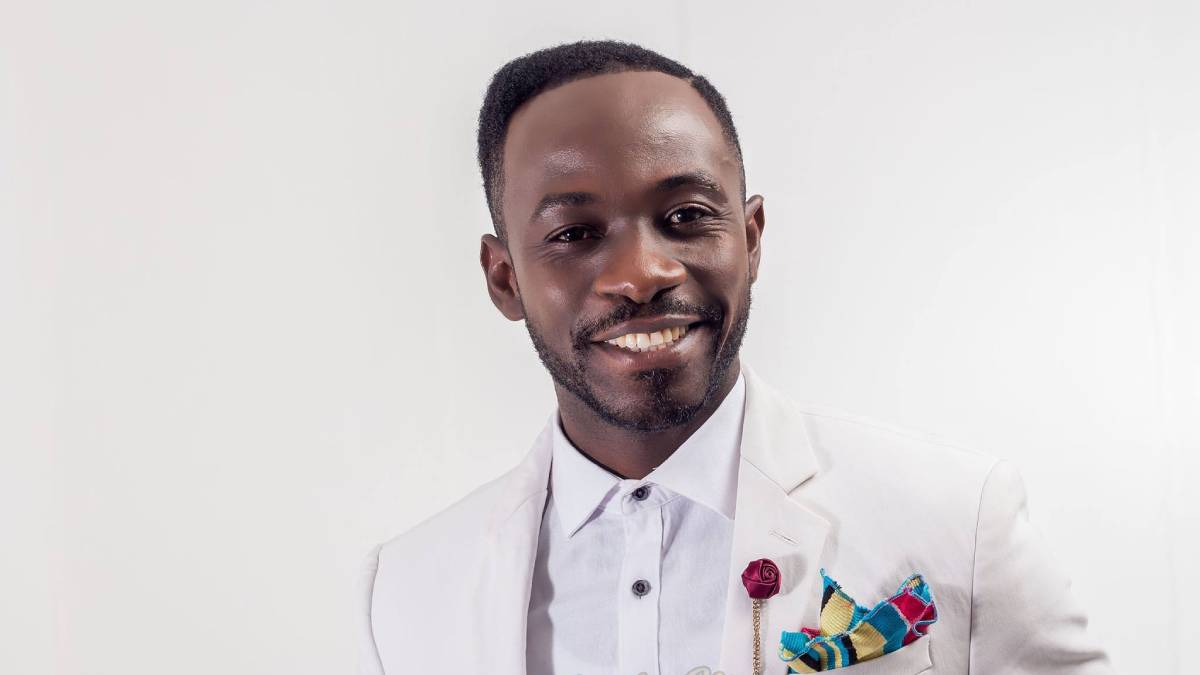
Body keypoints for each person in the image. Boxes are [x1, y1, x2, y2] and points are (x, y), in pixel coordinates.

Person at [357, 40, 1113, 675]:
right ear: (504, 278)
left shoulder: (958, 519)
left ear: (750, 240)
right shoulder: (408, 591)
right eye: (574, 234)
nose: (641, 273)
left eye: (686, 216)